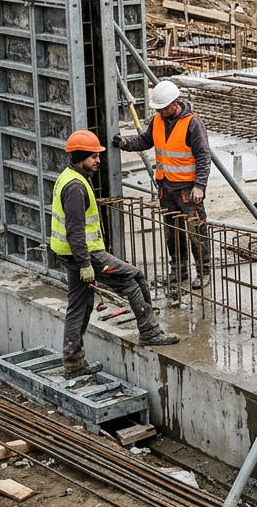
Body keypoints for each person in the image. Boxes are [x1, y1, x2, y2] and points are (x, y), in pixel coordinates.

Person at [51, 130, 178, 377]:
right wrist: (86, 264)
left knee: (79, 306)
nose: (99, 160)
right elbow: (75, 230)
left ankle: (73, 365)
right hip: (84, 254)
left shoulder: (68, 177)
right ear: (80, 158)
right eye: (94, 156)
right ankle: (150, 332)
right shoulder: (75, 187)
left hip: (70, 254)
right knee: (133, 279)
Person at [111, 80, 212, 288]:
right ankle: (179, 271)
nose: (162, 111)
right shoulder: (157, 120)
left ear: (175, 103)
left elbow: (203, 157)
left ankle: (203, 272)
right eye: (159, 108)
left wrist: (199, 186)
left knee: (196, 231)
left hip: (187, 190)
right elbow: (146, 141)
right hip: (165, 187)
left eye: (165, 107)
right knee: (171, 232)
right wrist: (126, 143)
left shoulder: (193, 123)